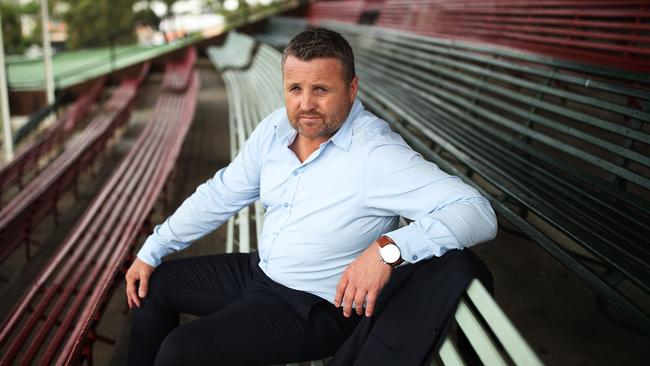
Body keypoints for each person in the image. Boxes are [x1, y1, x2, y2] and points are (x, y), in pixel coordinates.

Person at [125, 28, 497, 365]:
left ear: (352, 89)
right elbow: (221, 193)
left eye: (321, 90)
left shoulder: (375, 154)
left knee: (181, 352)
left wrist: (388, 250)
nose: (305, 105)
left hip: (313, 307)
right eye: (295, 89)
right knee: (152, 286)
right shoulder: (274, 128)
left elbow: (477, 210)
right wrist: (153, 248)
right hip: (262, 272)